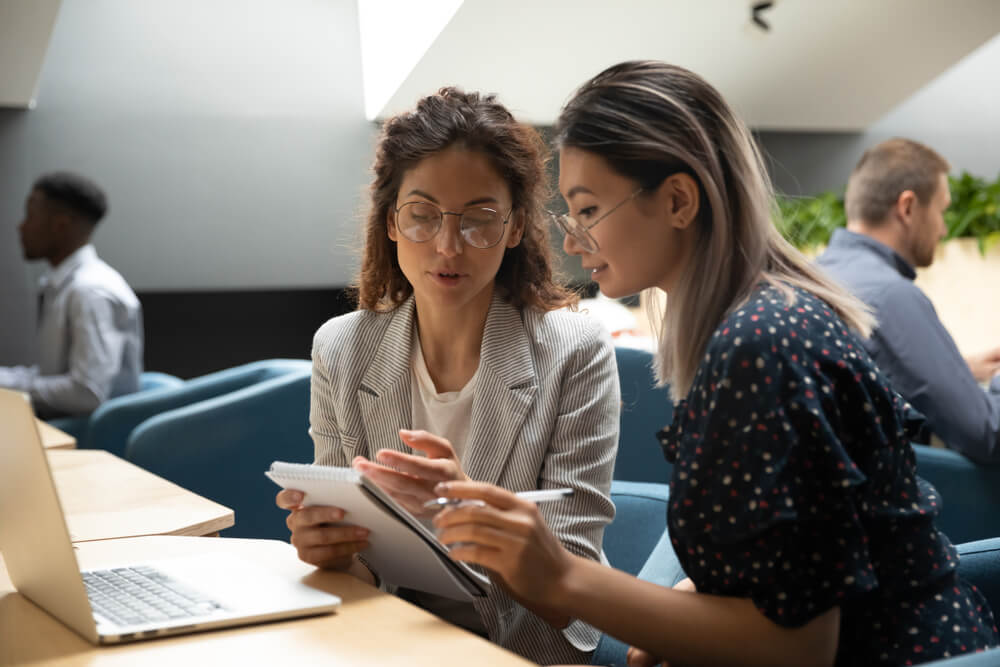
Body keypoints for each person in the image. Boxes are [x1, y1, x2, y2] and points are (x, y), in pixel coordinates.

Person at [431, 62, 999, 667]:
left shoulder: (760, 348)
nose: (573, 241)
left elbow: (800, 646)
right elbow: (811, 545)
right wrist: (690, 611)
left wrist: (561, 577)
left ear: (678, 200)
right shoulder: (767, 320)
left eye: (589, 209)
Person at [274, 87, 620, 664]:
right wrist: (334, 550)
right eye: (423, 216)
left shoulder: (573, 350)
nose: (448, 245)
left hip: (523, 646)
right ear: (391, 222)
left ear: (513, 228)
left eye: (480, 219)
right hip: (387, 641)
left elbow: (572, 582)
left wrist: (468, 515)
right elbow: (358, 564)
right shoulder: (342, 347)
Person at [817, 138, 1000, 463]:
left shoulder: (817, 275)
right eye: (942, 211)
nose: (944, 229)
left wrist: (957, 372)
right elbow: (986, 433)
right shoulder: (890, 295)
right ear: (908, 208)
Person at [0, 172, 143, 418]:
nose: (20, 226)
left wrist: (10, 389)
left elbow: (86, 392)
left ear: (60, 225)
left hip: (91, 440)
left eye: (30, 216)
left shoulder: (89, 292)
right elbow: (50, 375)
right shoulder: (65, 286)